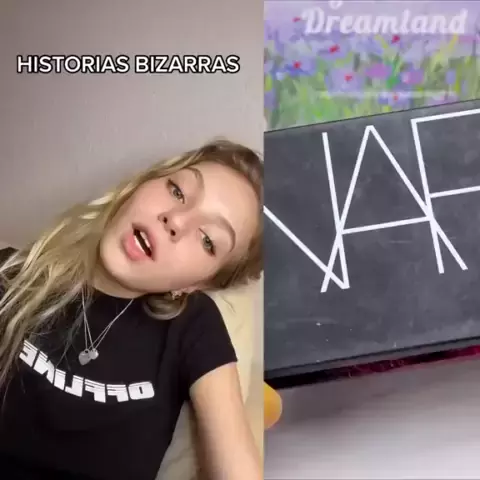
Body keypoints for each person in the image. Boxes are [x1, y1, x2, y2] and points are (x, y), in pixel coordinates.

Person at [0, 139, 263, 480]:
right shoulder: (12, 274)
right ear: (141, 185)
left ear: (197, 284)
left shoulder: (194, 326)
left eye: (207, 240)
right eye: (178, 191)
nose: (176, 220)